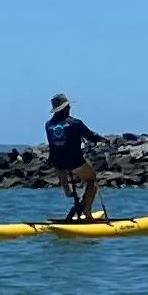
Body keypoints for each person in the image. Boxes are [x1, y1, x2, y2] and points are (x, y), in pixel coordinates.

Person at [44, 94, 105, 222]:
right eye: (68, 106)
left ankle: (68, 190)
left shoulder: (48, 125)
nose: (70, 107)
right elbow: (91, 136)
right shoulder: (75, 123)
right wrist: (103, 139)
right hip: (74, 161)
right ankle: (86, 211)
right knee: (91, 179)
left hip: (57, 162)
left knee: (59, 163)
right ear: (65, 108)